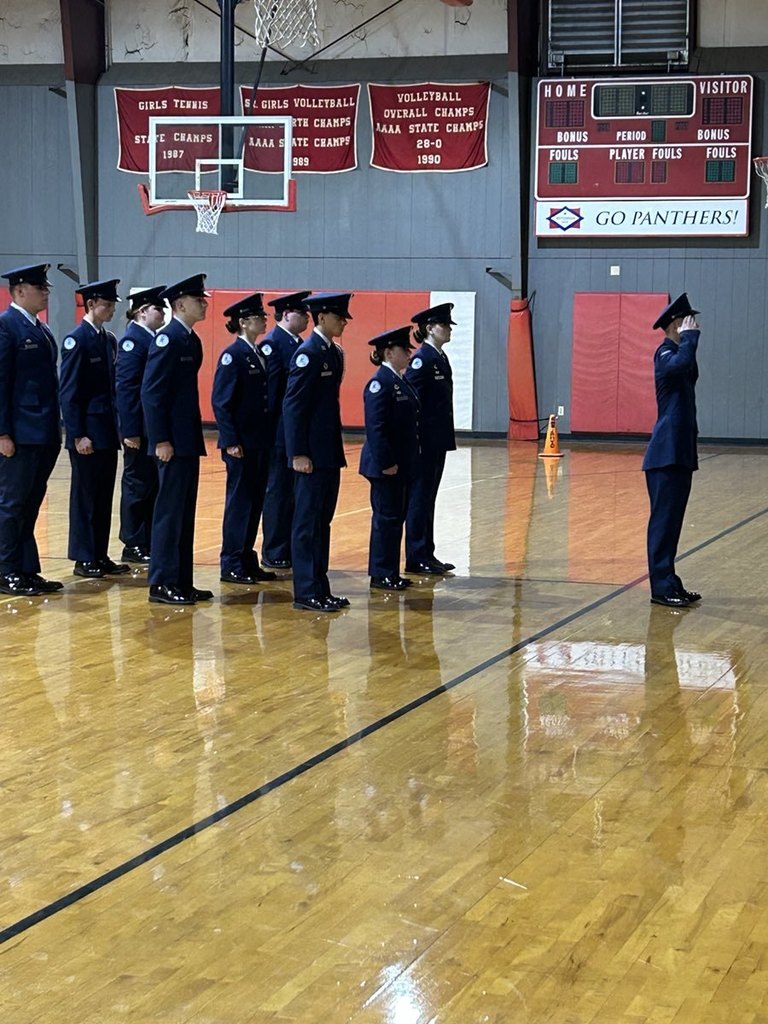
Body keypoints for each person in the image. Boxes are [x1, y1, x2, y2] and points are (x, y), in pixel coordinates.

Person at [141, 274, 212, 606]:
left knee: (184, 512)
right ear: (181, 304)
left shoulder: (190, 340)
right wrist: (161, 440)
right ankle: (162, 582)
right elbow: (152, 394)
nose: (204, 304)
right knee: (168, 513)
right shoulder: (167, 339)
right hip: (171, 442)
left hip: (187, 439)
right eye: (199, 300)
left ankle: (182, 579)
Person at [282, 291, 353, 612]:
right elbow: (293, 406)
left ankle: (320, 587)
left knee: (322, 523)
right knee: (306, 523)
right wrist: (298, 452)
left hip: (327, 452)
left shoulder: (333, 353)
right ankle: (306, 590)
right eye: (339, 317)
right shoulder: (307, 353)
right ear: (322, 317)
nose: (343, 323)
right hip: (309, 454)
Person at [59, 279, 130, 579]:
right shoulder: (78, 339)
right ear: (90, 305)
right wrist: (77, 434)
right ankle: (84, 556)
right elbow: (69, 392)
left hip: (105, 431)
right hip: (87, 432)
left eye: (113, 304)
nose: (112, 309)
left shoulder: (107, 339)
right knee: (85, 497)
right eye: (107, 304)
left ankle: (99, 554)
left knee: (102, 497)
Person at [0, 263, 62, 596]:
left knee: (30, 504)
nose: (46, 293)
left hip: (43, 430)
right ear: (20, 290)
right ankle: (6, 569)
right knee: (12, 504)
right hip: (20, 433)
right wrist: (2, 433)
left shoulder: (39, 328)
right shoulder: (6, 326)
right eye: (41, 288)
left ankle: (25, 568)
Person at [212, 292, 277, 585]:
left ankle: (247, 558)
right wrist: (230, 440)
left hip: (259, 441)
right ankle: (231, 561)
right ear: (243, 322)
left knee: (254, 502)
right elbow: (222, 402)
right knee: (239, 503)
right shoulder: (233, 355)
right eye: (258, 317)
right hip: (241, 444)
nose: (264, 320)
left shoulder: (258, 352)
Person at [642, 293, 702, 608]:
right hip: (664, 455)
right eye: (687, 320)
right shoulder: (664, 353)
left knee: (673, 523)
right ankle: (661, 587)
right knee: (663, 524)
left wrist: (689, 340)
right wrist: (689, 337)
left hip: (679, 453)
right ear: (674, 323)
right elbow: (681, 366)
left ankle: (670, 581)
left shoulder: (677, 353)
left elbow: (688, 368)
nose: (694, 325)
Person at [359, 326, 421, 591]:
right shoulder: (380, 383)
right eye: (403, 349)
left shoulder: (399, 380)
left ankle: (390, 571)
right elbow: (376, 427)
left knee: (395, 519)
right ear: (388, 352)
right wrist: (386, 462)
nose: (408, 353)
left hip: (401, 464)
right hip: (385, 466)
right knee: (386, 520)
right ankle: (381, 572)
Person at [404, 302, 457, 575]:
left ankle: (427, 552)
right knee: (419, 498)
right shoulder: (421, 359)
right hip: (424, 442)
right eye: (444, 325)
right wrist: (416, 439)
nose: (449, 330)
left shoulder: (439, 357)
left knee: (429, 498)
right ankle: (416, 555)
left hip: (436, 440)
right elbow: (412, 401)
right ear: (429, 328)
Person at [115, 285, 166, 564]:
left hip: (151, 427)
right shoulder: (133, 341)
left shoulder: (152, 339)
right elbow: (126, 389)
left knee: (150, 485)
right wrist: (131, 430)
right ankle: (133, 541)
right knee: (137, 485)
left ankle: (145, 538)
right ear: (143, 311)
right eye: (159, 309)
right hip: (139, 429)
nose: (162, 314)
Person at [260, 290, 311, 570]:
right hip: (279, 432)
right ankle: (275, 549)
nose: (307, 318)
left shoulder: (297, 343)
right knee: (278, 492)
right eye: (302, 313)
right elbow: (271, 394)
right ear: (286, 314)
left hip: (293, 430)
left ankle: (287, 546)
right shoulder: (273, 344)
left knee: (292, 494)